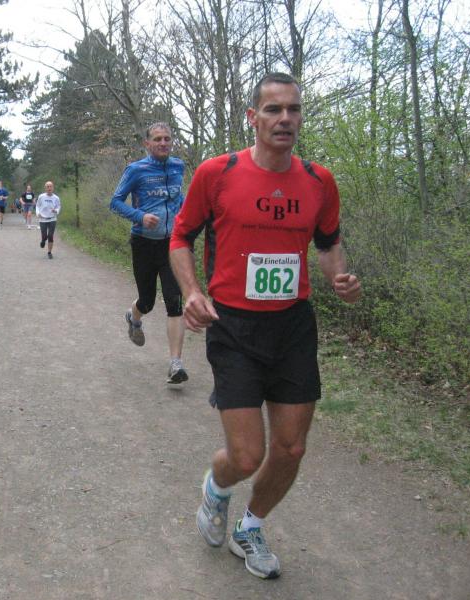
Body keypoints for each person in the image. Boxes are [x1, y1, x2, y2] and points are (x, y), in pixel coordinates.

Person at [169, 73, 361, 580]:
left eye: (293, 109)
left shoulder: (319, 180)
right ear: (253, 118)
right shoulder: (218, 173)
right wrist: (192, 291)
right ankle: (217, 488)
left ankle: (250, 527)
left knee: (292, 447)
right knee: (246, 455)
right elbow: (181, 237)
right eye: (273, 109)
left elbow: (328, 243)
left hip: (292, 326)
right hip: (233, 326)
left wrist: (338, 277)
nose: (285, 119)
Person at [109, 122, 188, 384]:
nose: (163, 143)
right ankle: (133, 317)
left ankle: (176, 364)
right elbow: (115, 202)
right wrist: (140, 216)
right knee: (148, 301)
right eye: (157, 139)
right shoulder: (136, 170)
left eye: (167, 138)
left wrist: (186, 214)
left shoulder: (178, 166)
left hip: (171, 244)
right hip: (143, 243)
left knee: (174, 301)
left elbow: (178, 199)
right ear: (147, 143)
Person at [35, 181, 61, 259]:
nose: (49, 188)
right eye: (47, 186)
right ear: (45, 188)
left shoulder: (56, 198)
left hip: (52, 219)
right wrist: (38, 213)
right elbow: (37, 206)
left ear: (53, 188)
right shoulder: (41, 196)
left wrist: (56, 210)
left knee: (50, 235)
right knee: (44, 236)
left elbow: (58, 206)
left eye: (50, 186)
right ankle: (43, 240)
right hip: (42, 219)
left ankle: (49, 252)